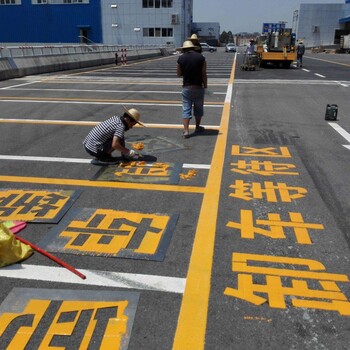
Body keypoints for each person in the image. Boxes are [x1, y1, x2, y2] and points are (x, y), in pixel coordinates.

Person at [177, 40, 207, 138]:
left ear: (184, 49)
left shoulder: (180, 58)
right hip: (198, 87)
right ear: (193, 48)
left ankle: (186, 131)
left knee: (186, 109)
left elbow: (178, 74)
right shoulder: (201, 58)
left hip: (186, 87)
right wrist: (205, 86)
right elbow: (203, 74)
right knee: (198, 109)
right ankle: (197, 127)